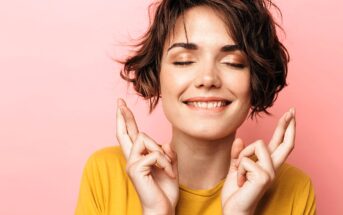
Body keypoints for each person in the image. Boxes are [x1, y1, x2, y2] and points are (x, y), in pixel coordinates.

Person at [75, 0, 316, 214]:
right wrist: (156, 211)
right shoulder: (106, 173)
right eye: (184, 61)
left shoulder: (294, 189)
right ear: (156, 75)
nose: (208, 78)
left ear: (256, 81)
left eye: (233, 62)